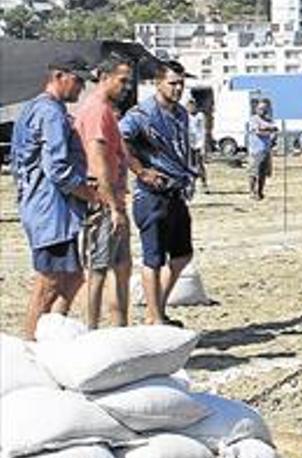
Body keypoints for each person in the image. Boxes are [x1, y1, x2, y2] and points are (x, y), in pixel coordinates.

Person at [11, 56, 100, 339]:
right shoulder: (50, 113)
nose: (81, 87)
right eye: (78, 80)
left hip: (50, 208)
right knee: (48, 282)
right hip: (51, 211)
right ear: (59, 76)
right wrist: (88, 193)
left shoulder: (35, 108)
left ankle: (50, 337)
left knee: (73, 278)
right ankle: (30, 345)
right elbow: (57, 169)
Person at [119, 60, 196, 327]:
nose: (178, 89)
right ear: (158, 83)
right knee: (153, 258)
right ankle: (154, 315)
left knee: (182, 255)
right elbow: (120, 140)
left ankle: (157, 308)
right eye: (173, 83)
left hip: (176, 190)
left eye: (181, 84)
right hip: (152, 194)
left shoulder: (181, 114)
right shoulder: (142, 114)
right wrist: (141, 171)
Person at [74, 53, 134, 329]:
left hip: (115, 200)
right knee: (98, 269)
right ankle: (91, 330)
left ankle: (119, 327)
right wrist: (112, 207)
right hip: (103, 202)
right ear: (105, 78)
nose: (126, 87)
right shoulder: (97, 110)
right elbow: (98, 163)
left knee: (121, 266)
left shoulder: (105, 110)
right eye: (122, 81)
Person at [247, 99, 278, 200]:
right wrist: (269, 130)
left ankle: (260, 192)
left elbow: (275, 131)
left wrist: (269, 131)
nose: (262, 111)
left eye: (264, 109)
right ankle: (252, 191)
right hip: (255, 150)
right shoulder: (253, 119)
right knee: (253, 172)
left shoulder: (269, 120)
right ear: (256, 109)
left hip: (266, 150)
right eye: (260, 108)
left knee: (263, 173)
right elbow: (258, 132)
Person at [187, 100, 208, 193]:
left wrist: (203, 145)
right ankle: (191, 185)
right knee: (190, 165)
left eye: (192, 106)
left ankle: (204, 183)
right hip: (189, 144)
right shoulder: (185, 116)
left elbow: (203, 130)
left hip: (198, 144)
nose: (191, 108)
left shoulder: (200, 116)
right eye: (189, 107)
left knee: (200, 165)